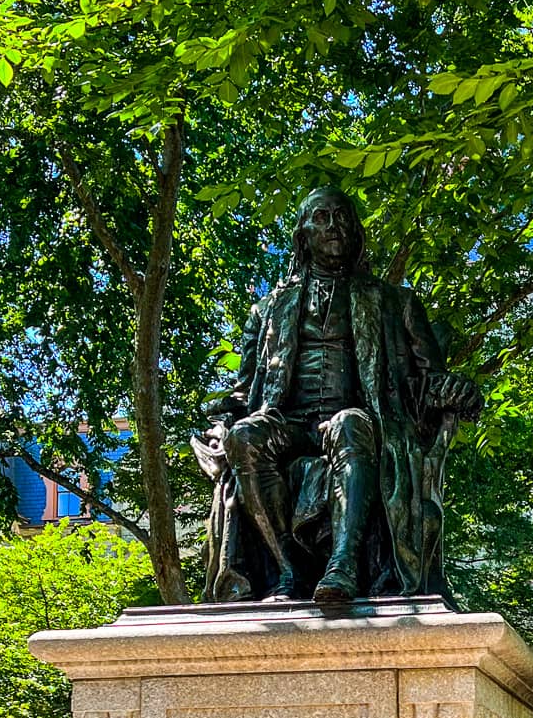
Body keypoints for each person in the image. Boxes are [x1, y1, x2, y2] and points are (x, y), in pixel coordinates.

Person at [193, 186, 482, 605]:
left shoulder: (392, 302)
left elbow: (427, 381)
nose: (334, 226)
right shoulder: (268, 310)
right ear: (303, 234)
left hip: (357, 420)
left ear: (357, 233)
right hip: (286, 421)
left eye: (343, 217)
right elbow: (244, 391)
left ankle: (342, 567)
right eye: (322, 217)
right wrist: (221, 426)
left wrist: (458, 392)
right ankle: (288, 572)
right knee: (244, 438)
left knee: (351, 424)